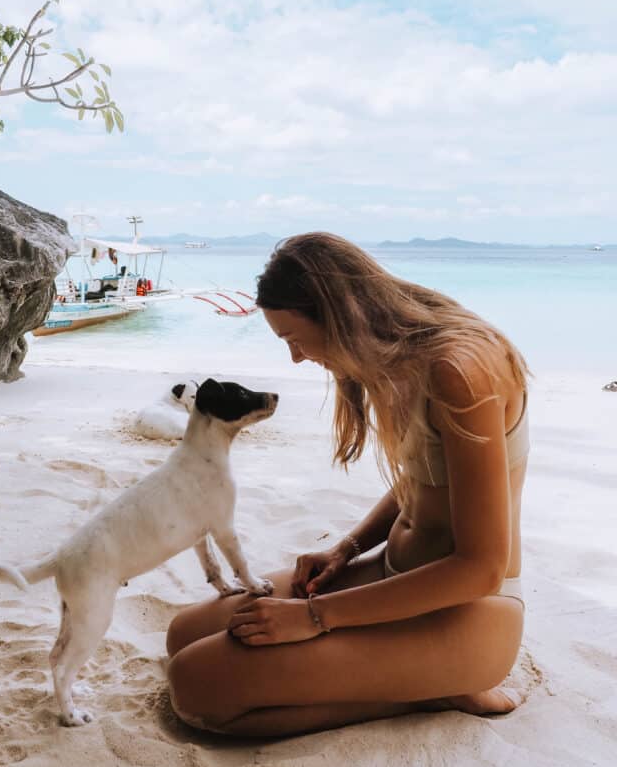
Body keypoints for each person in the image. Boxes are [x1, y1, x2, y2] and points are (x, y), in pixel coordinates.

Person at [166, 231, 529, 737]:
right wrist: (347, 548)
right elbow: (426, 479)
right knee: (182, 635)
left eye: (294, 339)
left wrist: (315, 616)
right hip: (392, 575)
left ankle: (429, 694)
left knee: (196, 686)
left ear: (338, 316)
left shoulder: (459, 371)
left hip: (467, 613)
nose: (295, 358)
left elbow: (482, 569)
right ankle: (406, 681)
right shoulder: (401, 360)